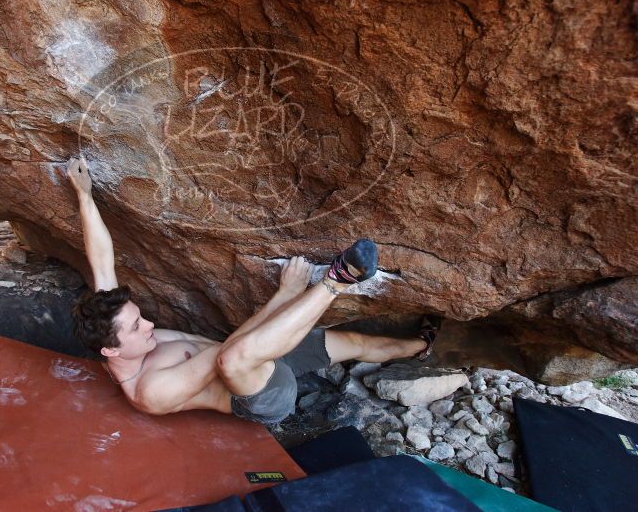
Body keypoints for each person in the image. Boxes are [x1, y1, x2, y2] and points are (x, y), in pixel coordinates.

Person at [67, 157, 437, 425]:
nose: (148, 323)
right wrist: (284, 296)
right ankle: (337, 281)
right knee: (232, 359)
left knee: (355, 343)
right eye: (137, 327)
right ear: (110, 350)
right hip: (260, 394)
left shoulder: (109, 321)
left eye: (140, 317)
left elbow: (101, 262)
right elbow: (228, 353)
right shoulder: (151, 391)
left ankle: (422, 346)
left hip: (262, 350)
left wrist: (84, 196)